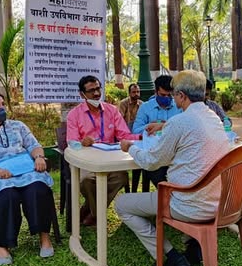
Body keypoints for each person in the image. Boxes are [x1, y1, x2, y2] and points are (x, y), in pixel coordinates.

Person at [115, 70, 230, 266]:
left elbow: (151, 162)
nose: (172, 98)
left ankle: (170, 256)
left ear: (181, 96)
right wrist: (164, 126)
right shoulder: (213, 118)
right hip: (216, 202)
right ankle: (193, 247)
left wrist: (129, 147)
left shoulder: (180, 122)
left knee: (122, 204)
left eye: (174, 94)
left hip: (187, 203)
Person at [0, 91, 55, 265]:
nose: (1, 108)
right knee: (7, 196)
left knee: (38, 189)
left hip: (25, 170)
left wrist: (38, 157)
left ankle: (44, 237)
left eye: (2, 104)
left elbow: (34, 145)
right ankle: (2, 245)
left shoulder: (17, 125)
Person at [67, 75, 139, 226]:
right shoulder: (74, 114)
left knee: (121, 177)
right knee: (86, 181)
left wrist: (141, 136)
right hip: (87, 162)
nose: (96, 93)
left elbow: (124, 135)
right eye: (91, 91)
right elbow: (72, 143)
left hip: (109, 160)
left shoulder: (112, 111)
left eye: (98, 89)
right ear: (82, 94)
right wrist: (81, 142)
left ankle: (90, 209)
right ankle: (96, 215)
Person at [132, 75, 182, 186]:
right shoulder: (145, 108)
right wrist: (150, 126)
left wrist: (165, 125)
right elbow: (135, 131)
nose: (166, 98)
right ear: (155, 92)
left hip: (175, 153)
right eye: (163, 95)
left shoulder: (178, 107)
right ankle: (166, 193)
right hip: (154, 152)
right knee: (156, 172)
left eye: (170, 95)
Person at [119, 83, 144, 192]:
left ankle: (134, 190)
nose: (136, 94)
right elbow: (120, 121)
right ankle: (127, 190)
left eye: (138, 91)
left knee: (137, 162)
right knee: (124, 167)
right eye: (134, 92)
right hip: (125, 135)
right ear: (129, 93)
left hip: (137, 135)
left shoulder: (142, 104)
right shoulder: (123, 103)